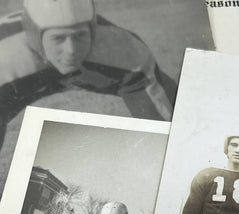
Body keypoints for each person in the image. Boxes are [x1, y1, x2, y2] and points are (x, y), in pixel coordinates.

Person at [0, 0, 176, 154]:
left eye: (80, 36)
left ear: (93, 29)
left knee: (175, 125)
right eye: (58, 39)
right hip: (11, 79)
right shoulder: (6, 61)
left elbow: (166, 133)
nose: (71, 50)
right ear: (35, 37)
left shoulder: (124, 50)